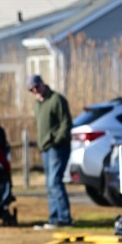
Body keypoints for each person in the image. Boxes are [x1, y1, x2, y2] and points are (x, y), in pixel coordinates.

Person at [28, 74, 73, 230]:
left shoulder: (56, 100)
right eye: (31, 89)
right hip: (45, 149)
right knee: (49, 184)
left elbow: (66, 123)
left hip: (57, 148)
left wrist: (56, 140)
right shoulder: (37, 104)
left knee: (55, 182)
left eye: (36, 87)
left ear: (42, 84)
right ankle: (54, 218)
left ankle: (64, 218)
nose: (35, 91)